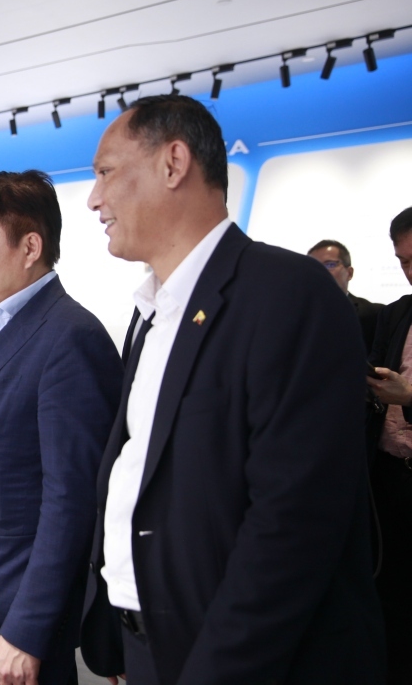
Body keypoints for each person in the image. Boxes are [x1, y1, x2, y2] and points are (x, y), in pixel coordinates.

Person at [80, 95, 384, 685]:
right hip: (149, 644)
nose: (94, 198)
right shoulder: (152, 311)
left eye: (106, 171)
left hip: (240, 658)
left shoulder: (289, 293)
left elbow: (293, 524)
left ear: (173, 163)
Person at [0, 171, 122, 685]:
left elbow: (70, 502)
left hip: (10, 609)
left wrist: (28, 630)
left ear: (30, 247)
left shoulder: (70, 336)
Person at [366, 206, 412, 684]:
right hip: (390, 476)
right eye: (403, 261)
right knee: (392, 600)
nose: (410, 270)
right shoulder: (396, 312)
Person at [307, 239, 383, 350]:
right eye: (314, 266)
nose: (321, 272)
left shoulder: (376, 314)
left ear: (349, 273)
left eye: (330, 265)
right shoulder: (297, 315)